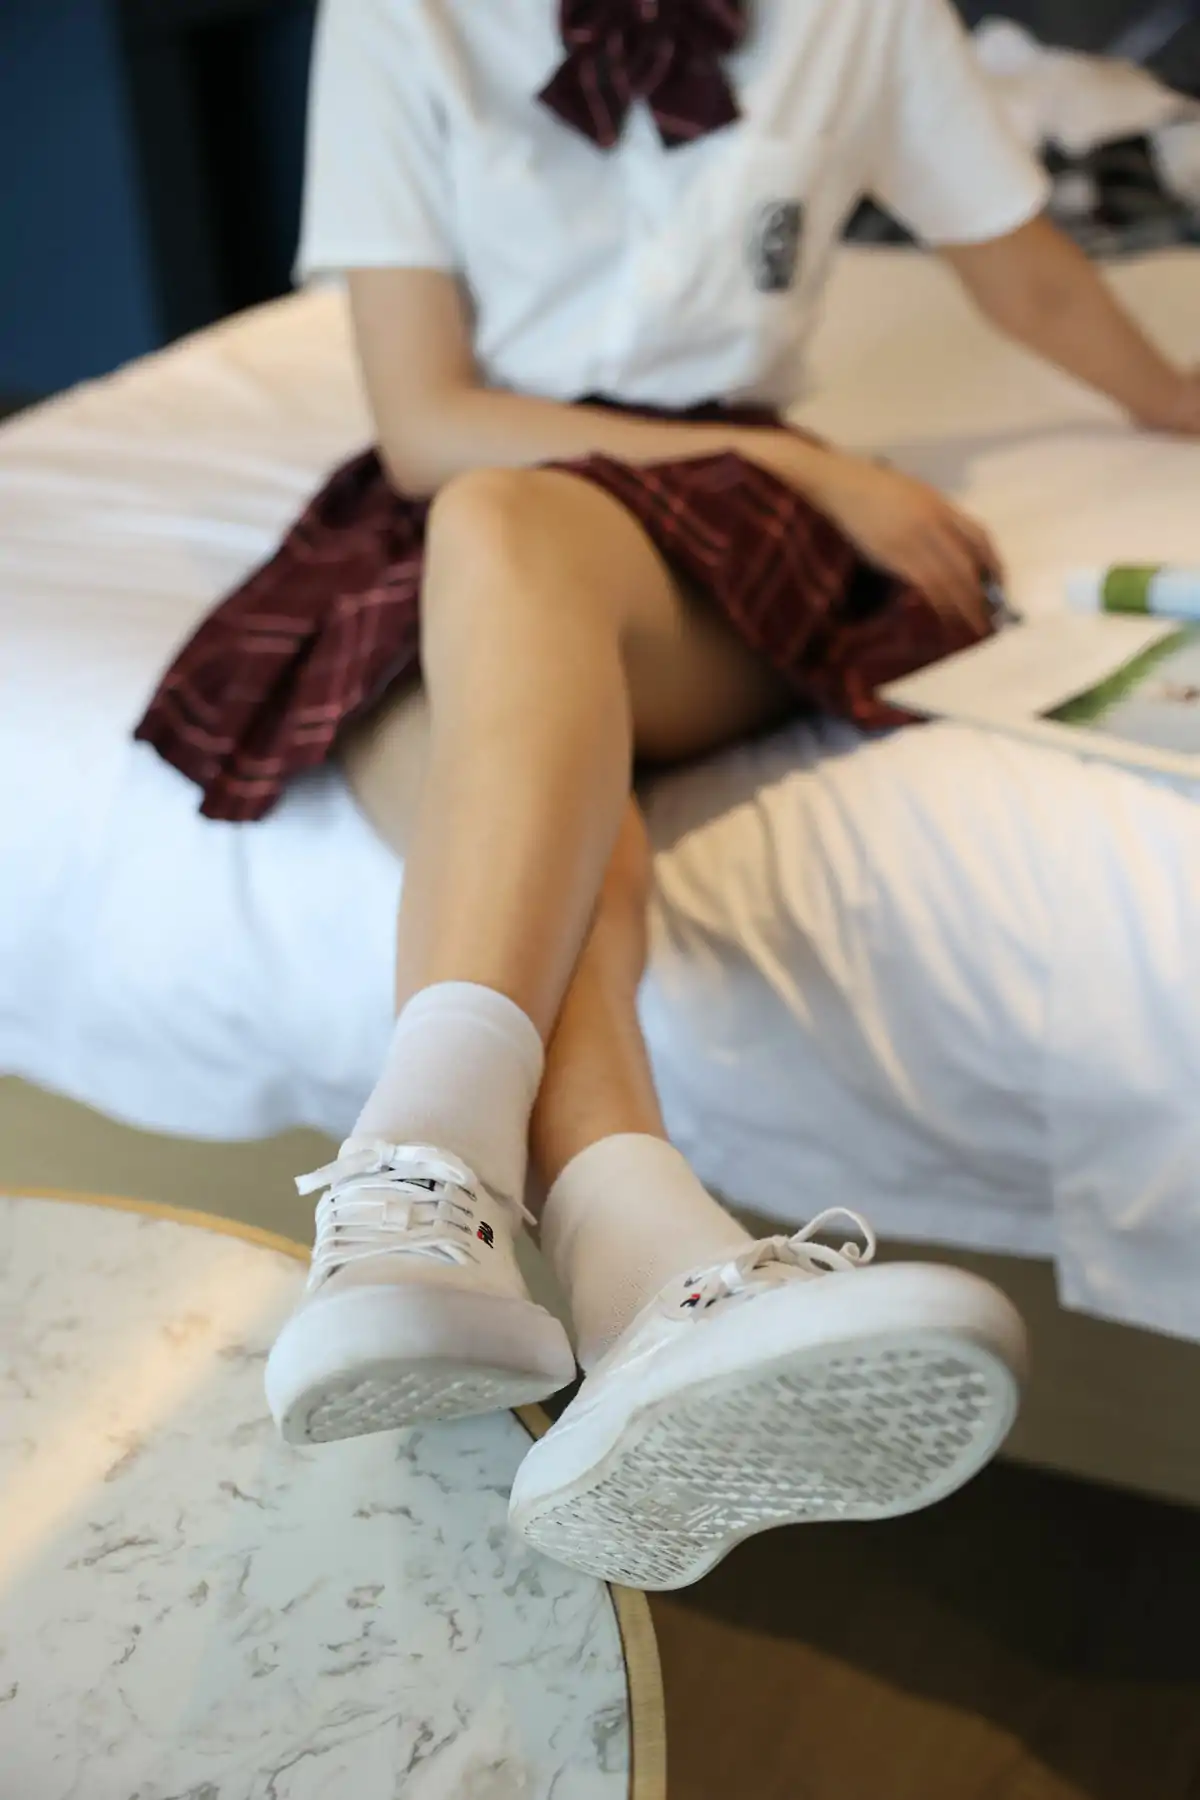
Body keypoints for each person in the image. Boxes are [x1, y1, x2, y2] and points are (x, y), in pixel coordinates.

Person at [142, 0, 1200, 1592]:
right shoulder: (400, 12)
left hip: (709, 521)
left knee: (505, 564)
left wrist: (1170, 397)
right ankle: (650, 1271)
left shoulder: (862, 12)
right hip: (471, 487)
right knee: (507, 646)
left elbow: (1028, 272)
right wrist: (809, 468)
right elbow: (426, 423)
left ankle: (411, 1178)